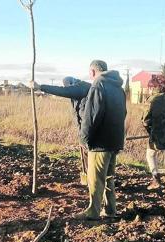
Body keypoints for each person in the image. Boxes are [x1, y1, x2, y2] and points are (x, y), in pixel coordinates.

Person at [76, 60, 126, 220]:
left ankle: (93, 211)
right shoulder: (118, 87)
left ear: (92, 72)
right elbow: (123, 113)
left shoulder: (98, 85)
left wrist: (84, 139)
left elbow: (91, 117)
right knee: (109, 176)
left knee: (95, 178)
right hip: (115, 140)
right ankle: (111, 210)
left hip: (100, 143)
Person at [30, 76, 92, 184]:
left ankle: (93, 180)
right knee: (86, 154)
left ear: (71, 84)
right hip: (84, 130)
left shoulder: (81, 87)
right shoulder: (79, 92)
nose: (66, 88)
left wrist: (40, 87)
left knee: (90, 155)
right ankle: (89, 178)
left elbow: (62, 91)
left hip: (89, 131)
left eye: (66, 86)